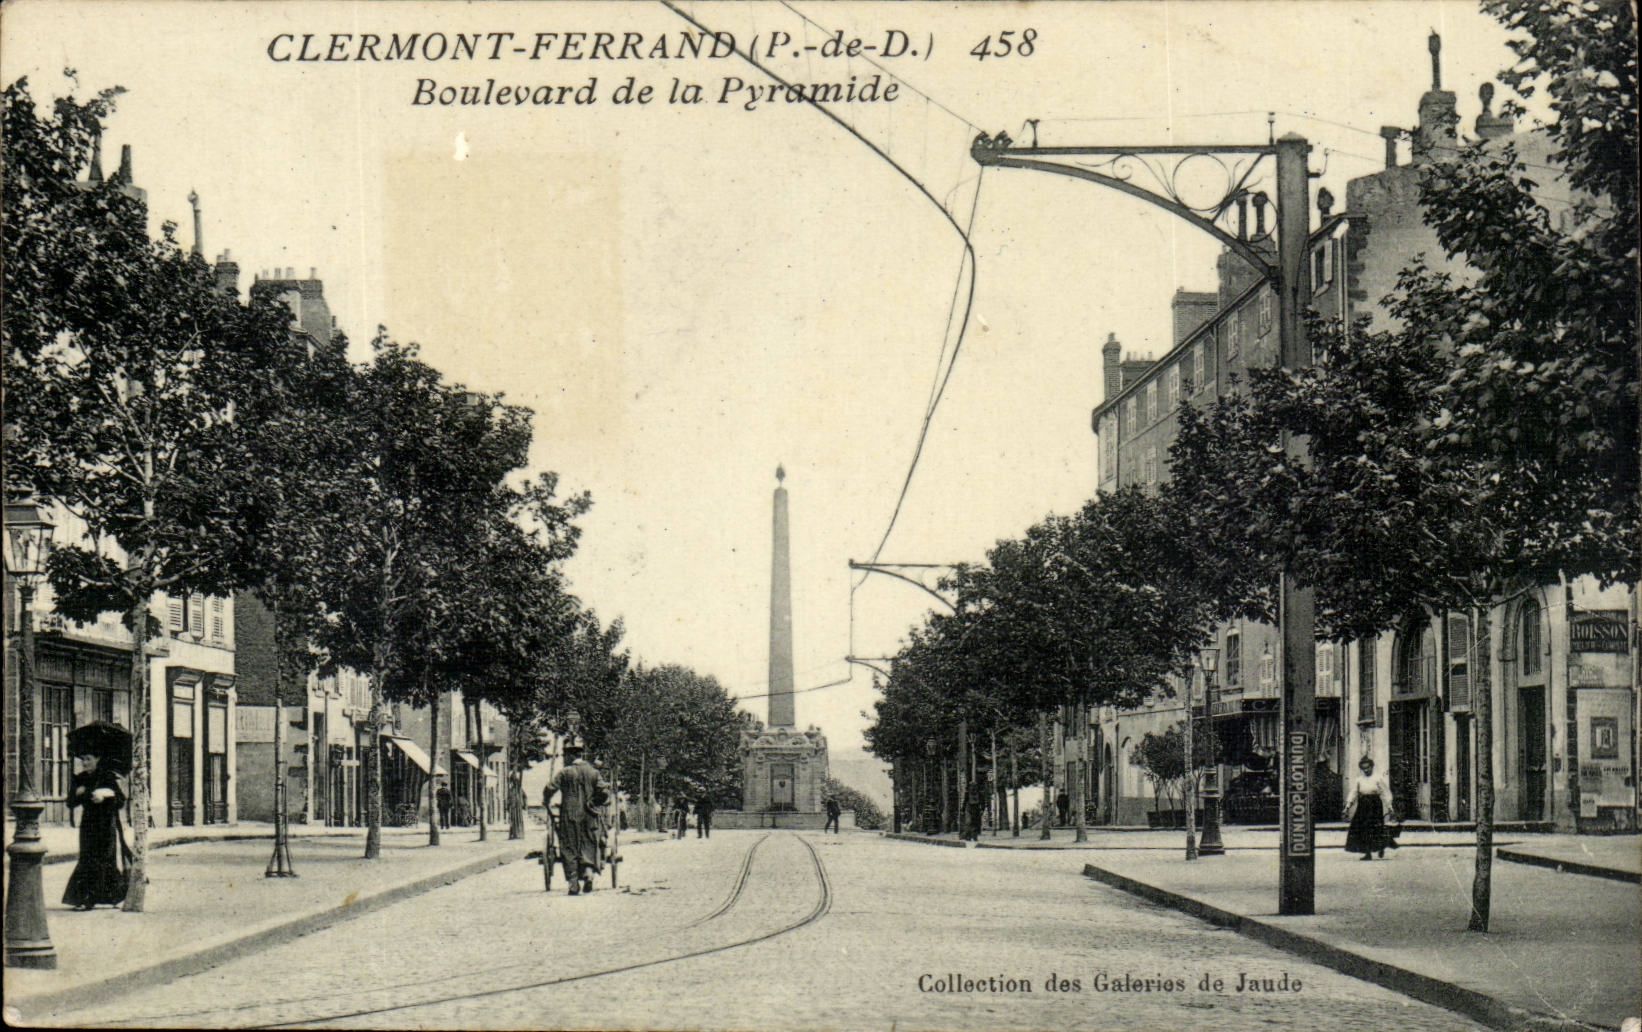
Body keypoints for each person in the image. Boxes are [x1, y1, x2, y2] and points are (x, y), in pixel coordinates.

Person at [63, 754, 127, 910]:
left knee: (104, 859)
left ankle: (105, 897)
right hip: (88, 825)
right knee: (87, 858)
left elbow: (120, 800)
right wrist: (78, 793)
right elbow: (70, 803)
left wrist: (105, 797)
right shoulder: (80, 778)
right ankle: (84, 898)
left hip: (105, 824)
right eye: (83, 759)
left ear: (98, 759)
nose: (85, 763)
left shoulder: (107, 777)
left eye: (88, 759)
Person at [544, 741, 609, 895]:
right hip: (589, 815)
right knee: (589, 843)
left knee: (569, 847)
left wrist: (546, 800)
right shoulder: (593, 772)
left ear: (570, 756)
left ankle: (573, 883)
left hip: (569, 815)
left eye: (566, 755)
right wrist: (595, 802)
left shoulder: (565, 772)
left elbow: (550, 788)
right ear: (581, 755)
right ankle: (588, 875)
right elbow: (604, 792)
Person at [1344, 756, 1394, 861]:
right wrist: (1347, 807)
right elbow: (1354, 793)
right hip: (1363, 805)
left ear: (1372, 767)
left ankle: (1381, 847)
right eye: (1363, 768)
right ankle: (1367, 853)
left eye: (1368, 768)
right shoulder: (1359, 779)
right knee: (1363, 829)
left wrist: (1390, 807)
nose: (1366, 770)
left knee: (1376, 828)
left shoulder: (1378, 778)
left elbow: (1385, 793)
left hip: (1375, 805)